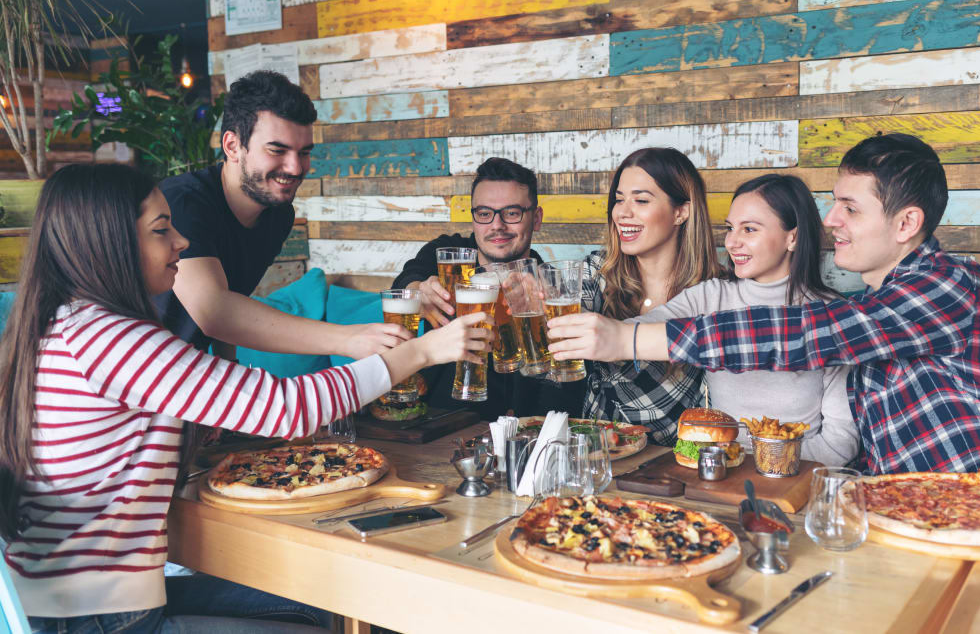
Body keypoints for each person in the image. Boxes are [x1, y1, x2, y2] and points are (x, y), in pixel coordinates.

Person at [0, 163, 490, 632]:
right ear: (110, 243)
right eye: (161, 230)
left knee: (321, 609)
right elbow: (287, 409)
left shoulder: (60, 323)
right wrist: (422, 352)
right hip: (101, 618)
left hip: (65, 603)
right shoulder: (112, 339)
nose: (181, 241)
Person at [549, 134, 980, 475]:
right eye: (833, 204)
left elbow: (799, 335)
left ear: (906, 223)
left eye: (851, 208)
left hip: (970, 517)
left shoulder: (952, 283)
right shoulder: (873, 305)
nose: (831, 221)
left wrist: (624, 338)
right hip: (897, 510)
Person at [155, 70, 409, 359]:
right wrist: (348, 338)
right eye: (277, 150)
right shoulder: (182, 203)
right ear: (232, 146)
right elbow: (214, 312)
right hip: (130, 381)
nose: (295, 168)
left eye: (304, 153)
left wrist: (232, 370)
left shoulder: (277, 214)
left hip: (185, 375)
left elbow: (231, 301)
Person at [633, 174, 858, 465]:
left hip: (797, 478)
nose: (732, 242)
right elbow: (635, 331)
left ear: (793, 237)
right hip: (721, 472)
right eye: (730, 228)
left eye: (749, 229)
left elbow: (841, 443)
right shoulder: (711, 296)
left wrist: (760, 463)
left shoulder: (832, 314)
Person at [393, 157, 581, 418]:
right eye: (484, 214)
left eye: (512, 213)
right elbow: (408, 277)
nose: (496, 225)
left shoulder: (548, 285)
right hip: (440, 422)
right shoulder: (448, 257)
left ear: (535, 218)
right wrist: (418, 289)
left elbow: (562, 385)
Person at [578, 148, 721, 445]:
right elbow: (553, 363)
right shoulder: (596, 273)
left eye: (641, 200)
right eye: (619, 200)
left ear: (681, 211)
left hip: (678, 467)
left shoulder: (716, 291)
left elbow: (720, 408)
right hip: (597, 459)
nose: (622, 212)